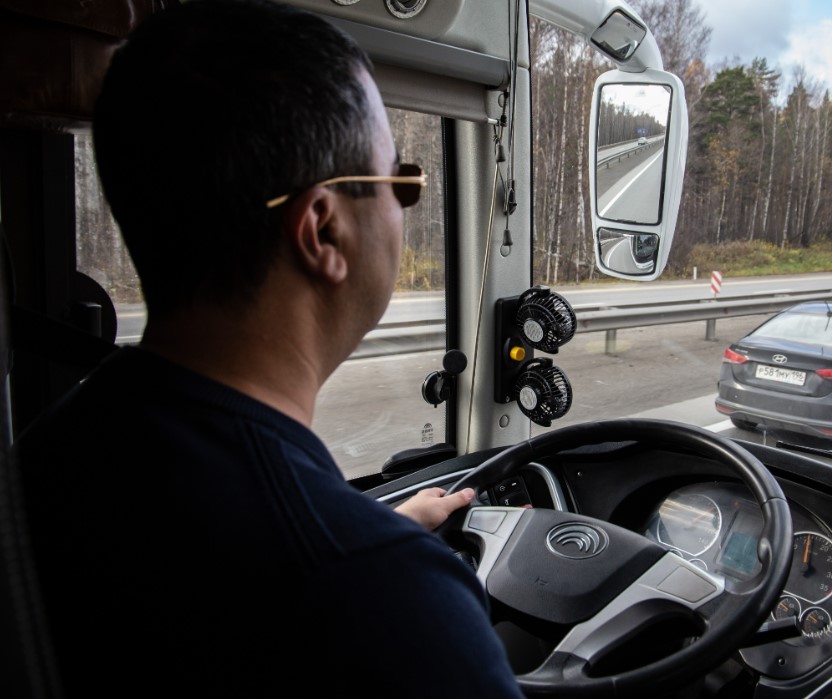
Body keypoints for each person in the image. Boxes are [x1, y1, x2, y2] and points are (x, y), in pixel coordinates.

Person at [15, 1, 524, 696]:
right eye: (399, 184)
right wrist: (375, 555)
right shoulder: (387, 603)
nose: (405, 209)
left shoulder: (47, 458)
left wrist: (366, 526)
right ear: (323, 230)